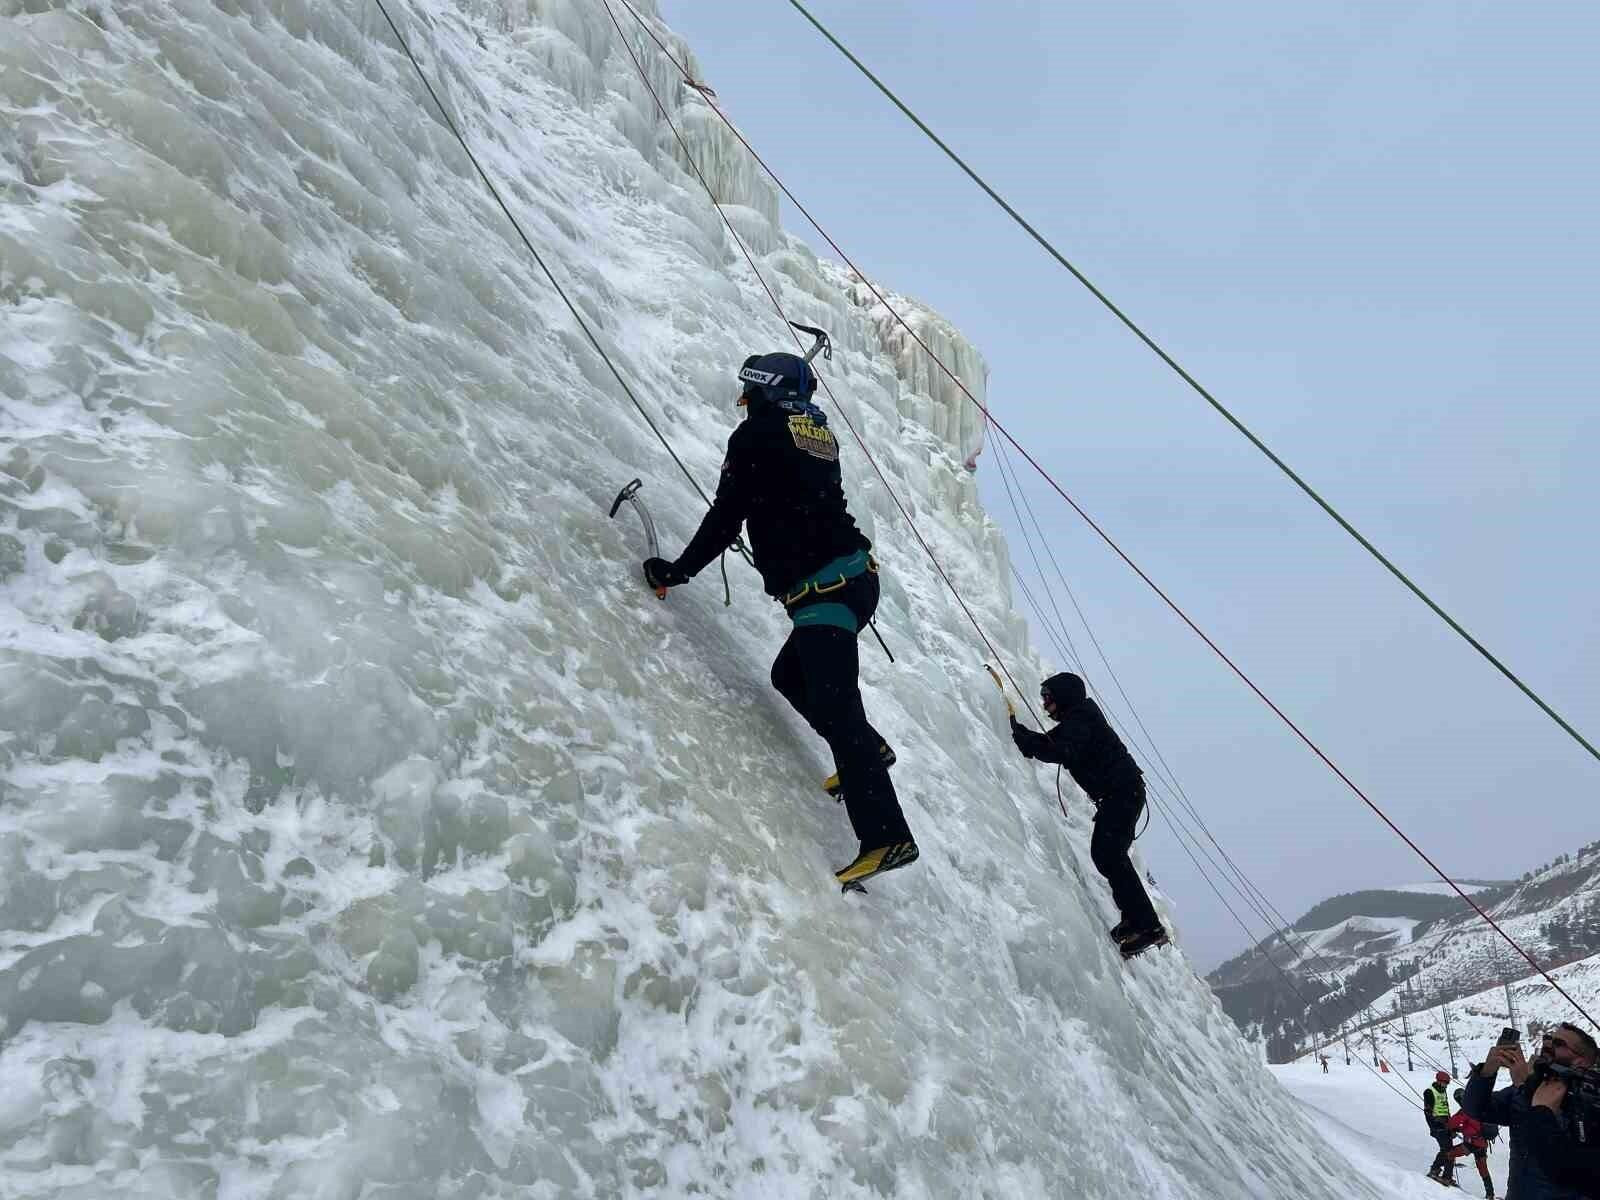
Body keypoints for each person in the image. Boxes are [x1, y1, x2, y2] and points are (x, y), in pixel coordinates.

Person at [642, 351, 916, 889]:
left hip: (825, 589)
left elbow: (727, 515)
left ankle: (887, 835)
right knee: (790, 676)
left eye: (748, 393)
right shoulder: (815, 429)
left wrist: (678, 571)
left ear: (764, 391)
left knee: (839, 706)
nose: (743, 404)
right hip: (854, 579)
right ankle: (870, 750)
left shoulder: (756, 436)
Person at [1008, 672, 1166, 958]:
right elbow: (1050, 741)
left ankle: (1148, 926)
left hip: (1121, 794)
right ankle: (1136, 920)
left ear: (1064, 697)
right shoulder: (1078, 718)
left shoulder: (1080, 719)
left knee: (1109, 854)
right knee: (1108, 855)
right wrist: (1024, 736)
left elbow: (1062, 750)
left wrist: (1027, 742)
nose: (1045, 705)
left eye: (1048, 698)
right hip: (1123, 794)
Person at [1462, 1023, 1600, 1198]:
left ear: (1582, 1061)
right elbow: (1474, 1108)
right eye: (1547, 1039)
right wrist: (1487, 1071)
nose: (1548, 1045)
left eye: (1558, 1043)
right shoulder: (1523, 1089)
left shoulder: (1590, 1102)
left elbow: (1566, 1166)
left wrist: (1525, 1088)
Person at [1447, 1088, 1497, 1197]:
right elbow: (1473, 1125)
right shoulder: (1478, 1107)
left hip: (1472, 1144)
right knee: (1483, 1169)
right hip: (1482, 1143)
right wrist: (1461, 1129)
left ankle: (1447, 1177)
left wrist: (1452, 1128)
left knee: (1450, 1154)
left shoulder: (1466, 1110)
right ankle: (1490, 1194)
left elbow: (1452, 1123)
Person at [1425, 1070, 1455, 1181]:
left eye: (1447, 1084)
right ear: (1438, 1081)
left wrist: (1451, 1126)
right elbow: (1428, 1112)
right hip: (1437, 1126)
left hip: (1446, 1125)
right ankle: (1435, 1170)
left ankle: (1446, 1176)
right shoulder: (1429, 1092)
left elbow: (1446, 1110)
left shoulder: (1443, 1092)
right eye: (1444, 1083)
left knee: (1450, 1150)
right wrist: (1434, 1126)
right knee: (1447, 1150)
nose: (1446, 1086)